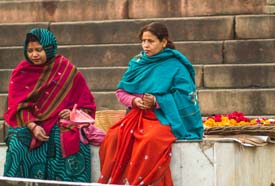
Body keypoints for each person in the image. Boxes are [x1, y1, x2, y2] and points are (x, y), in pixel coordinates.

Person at [98, 22, 204, 185]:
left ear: (163, 42)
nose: (145, 45)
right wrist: (134, 101)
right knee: (113, 137)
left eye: (151, 41)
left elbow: (186, 97)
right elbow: (121, 92)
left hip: (164, 117)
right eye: (143, 41)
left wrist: (157, 101)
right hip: (136, 115)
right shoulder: (138, 63)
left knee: (149, 140)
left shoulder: (176, 66)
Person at [3, 28, 96, 182]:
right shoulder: (21, 72)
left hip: (57, 120)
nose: (34, 55)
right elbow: (16, 107)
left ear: (49, 48)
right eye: (30, 50)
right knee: (18, 144)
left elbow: (86, 103)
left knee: (66, 141)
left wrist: (73, 113)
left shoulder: (66, 69)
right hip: (27, 121)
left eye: (39, 50)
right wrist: (33, 126)